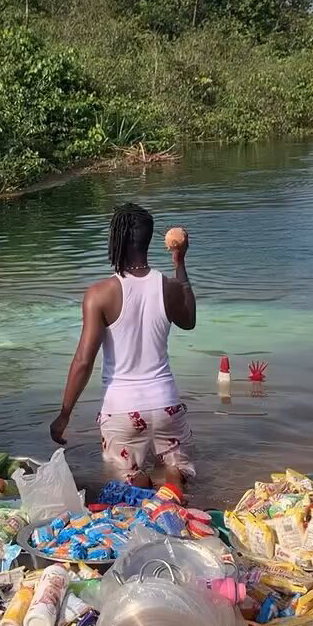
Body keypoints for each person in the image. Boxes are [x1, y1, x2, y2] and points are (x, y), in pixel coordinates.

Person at [50, 203, 196, 486]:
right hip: (166, 404)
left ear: (115, 240)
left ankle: (137, 489)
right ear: (148, 239)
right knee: (174, 479)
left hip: (123, 410)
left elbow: (83, 360)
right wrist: (179, 261)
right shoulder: (169, 287)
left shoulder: (99, 294)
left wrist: (64, 414)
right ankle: (175, 487)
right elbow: (189, 320)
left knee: (128, 488)